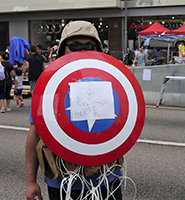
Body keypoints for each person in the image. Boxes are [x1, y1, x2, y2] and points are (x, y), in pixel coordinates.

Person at [25, 21, 122, 200]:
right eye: (75, 46)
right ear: (63, 49)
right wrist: (30, 181)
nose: (82, 51)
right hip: (64, 181)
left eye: (89, 46)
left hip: (106, 178)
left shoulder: (113, 81)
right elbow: (35, 133)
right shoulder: (49, 85)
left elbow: (124, 123)